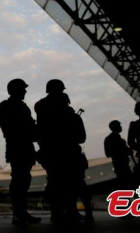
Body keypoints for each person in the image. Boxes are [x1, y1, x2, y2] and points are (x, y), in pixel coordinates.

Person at [35, 79, 85, 224]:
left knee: (56, 182)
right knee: (68, 183)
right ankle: (69, 211)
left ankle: (60, 212)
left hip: (51, 151)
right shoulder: (66, 111)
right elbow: (80, 137)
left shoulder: (41, 106)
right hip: (64, 151)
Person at [0, 79, 41, 225]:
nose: (25, 91)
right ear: (15, 90)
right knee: (18, 180)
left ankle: (22, 212)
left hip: (25, 146)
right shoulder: (7, 106)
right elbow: (8, 126)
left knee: (24, 179)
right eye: (23, 89)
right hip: (17, 145)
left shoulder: (21, 107)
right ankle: (18, 213)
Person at [104, 120, 134, 190]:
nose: (121, 127)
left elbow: (108, 154)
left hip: (120, 164)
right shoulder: (116, 139)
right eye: (119, 126)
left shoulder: (110, 139)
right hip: (121, 165)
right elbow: (108, 154)